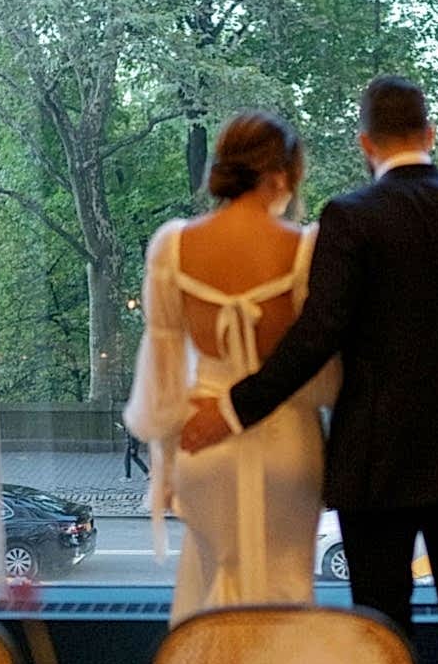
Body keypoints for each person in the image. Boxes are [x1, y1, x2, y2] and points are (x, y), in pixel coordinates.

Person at [182, 75, 438, 664]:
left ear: (365, 143)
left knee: (380, 627)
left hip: (379, 458)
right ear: (430, 135)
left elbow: (317, 336)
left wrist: (234, 406)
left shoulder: (352, 219)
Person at [122, 111, 339, 626]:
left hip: (204, 446)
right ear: (283, 174)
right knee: (286, 595)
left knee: (207, 590)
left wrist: (167, 464)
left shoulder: (173, 246)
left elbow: (161, 384)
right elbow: (326, 380)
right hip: (289, 449)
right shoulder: (306, 250)